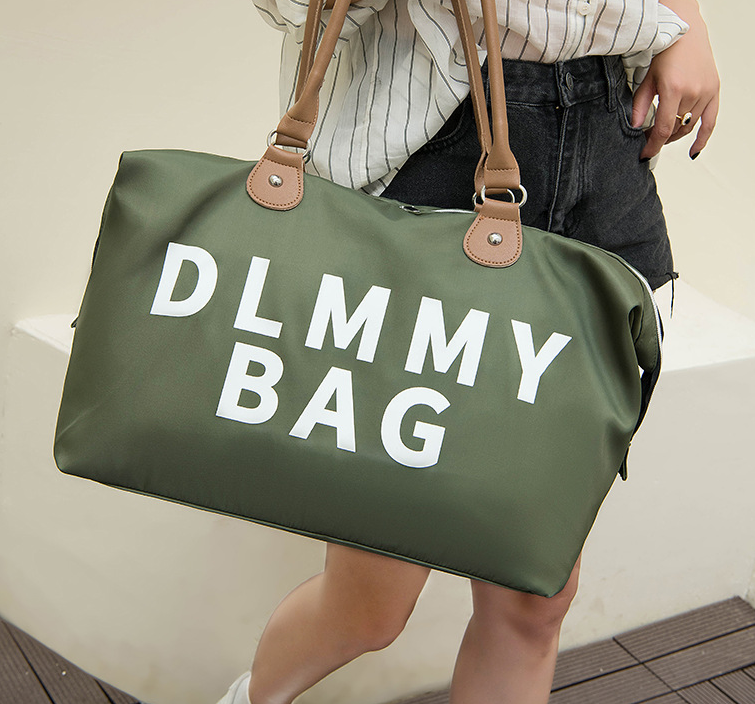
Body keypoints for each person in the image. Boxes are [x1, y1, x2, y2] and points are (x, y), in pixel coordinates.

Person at [219, 1, 720, 702]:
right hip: (438, 138)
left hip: (607, 138)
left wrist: (689, 23)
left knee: (534, 598)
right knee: (370, 602)